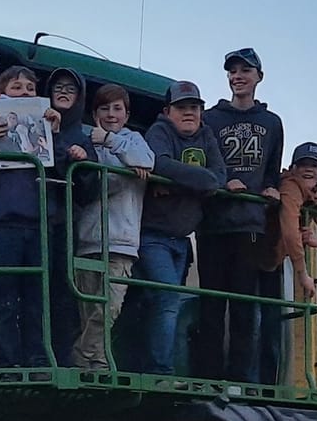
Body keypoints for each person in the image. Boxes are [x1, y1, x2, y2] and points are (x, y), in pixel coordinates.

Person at [119, 80, 225, 374]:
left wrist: (180, 183)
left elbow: (218, 176)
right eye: (181, 107)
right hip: (151, 236)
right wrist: (198, 183)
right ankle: (160, 371)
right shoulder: (159, 131)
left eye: (194, 107)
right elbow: (159, 164)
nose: (188, 113)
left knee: (152, 302)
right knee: (167, 298)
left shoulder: (207, 135)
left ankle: (138, 365)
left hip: (182, 239)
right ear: (168, 111)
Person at [196, 49, 284, 382]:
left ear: (259, 76)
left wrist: (273, 191)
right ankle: (209, 378)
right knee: (212, 306)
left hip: (251, 224)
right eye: (232, 71)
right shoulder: (211, 119)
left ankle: (240, 383)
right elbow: (200, 162)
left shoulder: (272, 122)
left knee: (246, 310)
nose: (237, 76)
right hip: (213, 224)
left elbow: (272, 172)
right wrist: (221, 181)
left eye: (245, 70)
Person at [0, 65, 61, 368]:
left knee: (38, 297)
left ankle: (38, 358)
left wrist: (56, 136)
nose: (24, 92)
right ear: (0, 96)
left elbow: (63, 171)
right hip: (5, 223)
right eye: (16, 87)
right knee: (6, 296)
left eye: (29, 88)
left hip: (40, 223)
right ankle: (7, 361)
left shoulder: (49, 129)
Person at [71, 83, 154, 370]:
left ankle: (83, 356)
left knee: (110, 308)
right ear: (94, 113)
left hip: (121, 241)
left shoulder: (134, 140)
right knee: (89, 310)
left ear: (127, 114)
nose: (111, 114)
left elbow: (146, 161)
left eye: (117, 108)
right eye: (104, 108)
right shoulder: (84, 142)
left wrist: (109, 140)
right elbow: (90, 185)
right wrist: (124, 174)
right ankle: (98, 360)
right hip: (87, 238)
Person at [270, 142, 317, 385]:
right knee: (260, 321)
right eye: (303, 165)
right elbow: (291, 230)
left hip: (277, 264)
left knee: (269, 322)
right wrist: (303, 274)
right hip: (263, 256)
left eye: (314, 165)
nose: (308, 170)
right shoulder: (290, 187)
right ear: (293, 167)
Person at [42, 68, 91, 365]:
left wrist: (78, 161)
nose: (63, 92)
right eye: (58, 87)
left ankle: (60, 357)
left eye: (70, 89)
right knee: (30, 290)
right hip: (29, 220)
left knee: (62, 293)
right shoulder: (28, 125)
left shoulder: (83, 139)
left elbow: (90, 188)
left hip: (65, 223)